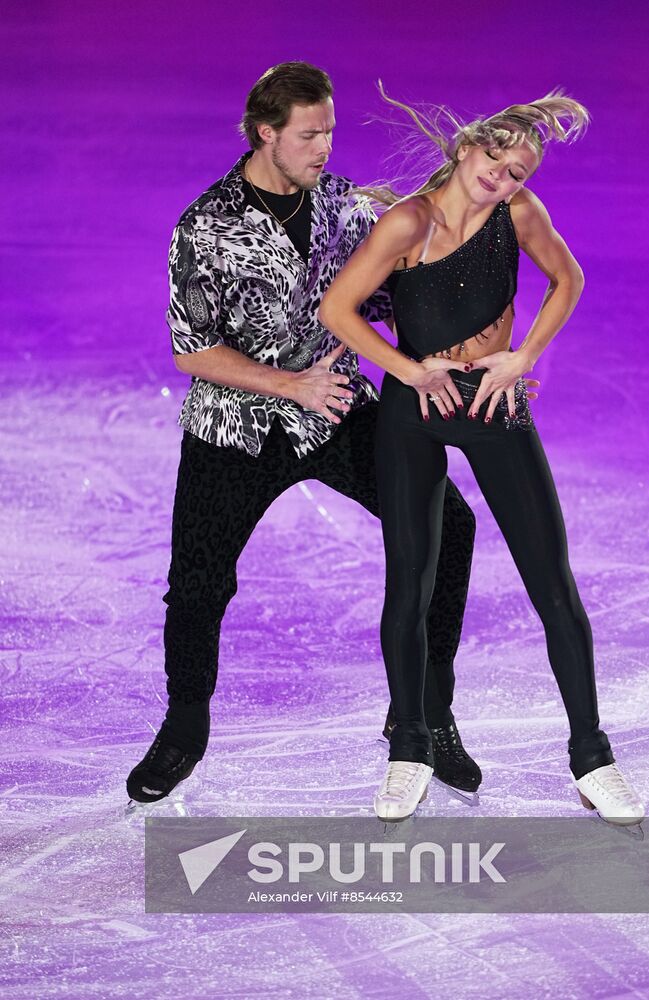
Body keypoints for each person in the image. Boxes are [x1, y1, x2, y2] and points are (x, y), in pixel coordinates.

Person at [125, 62, 484, 804]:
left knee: (448, 525)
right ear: (267, 133)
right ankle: (183, 729)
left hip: (337, 414)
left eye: (329, 130)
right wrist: (293, 383)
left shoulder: (346, 209)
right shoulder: (208, 226)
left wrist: (450, 314)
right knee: (196, 585)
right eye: (309, 133)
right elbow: (190, 349)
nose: (324, 145)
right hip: (237, 429)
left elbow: (379, 298)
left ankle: (424, 714)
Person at [319, 88, 645, 825]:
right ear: (468, 150)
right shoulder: (408, 221)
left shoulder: (519, 216)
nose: (504, 181)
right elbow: (337, 309)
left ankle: (591, 758)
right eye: (497, 165)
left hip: (492, 402)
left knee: (551, 584)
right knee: (409, 583)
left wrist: (522, 354)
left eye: (518, 174)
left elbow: (568, 279)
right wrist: (407, 371)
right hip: (414, 412)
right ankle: (409, 747)